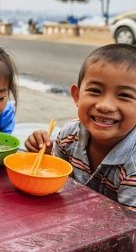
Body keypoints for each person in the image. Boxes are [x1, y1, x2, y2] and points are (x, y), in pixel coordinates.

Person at [25, 44, 136, 208]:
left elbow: (129, 228)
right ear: (77, 96)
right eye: (95, 91)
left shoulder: (132, 165)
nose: (105, 106)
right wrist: (45, 156)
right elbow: (60, 184)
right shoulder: (69, 135)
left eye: (124, 95)